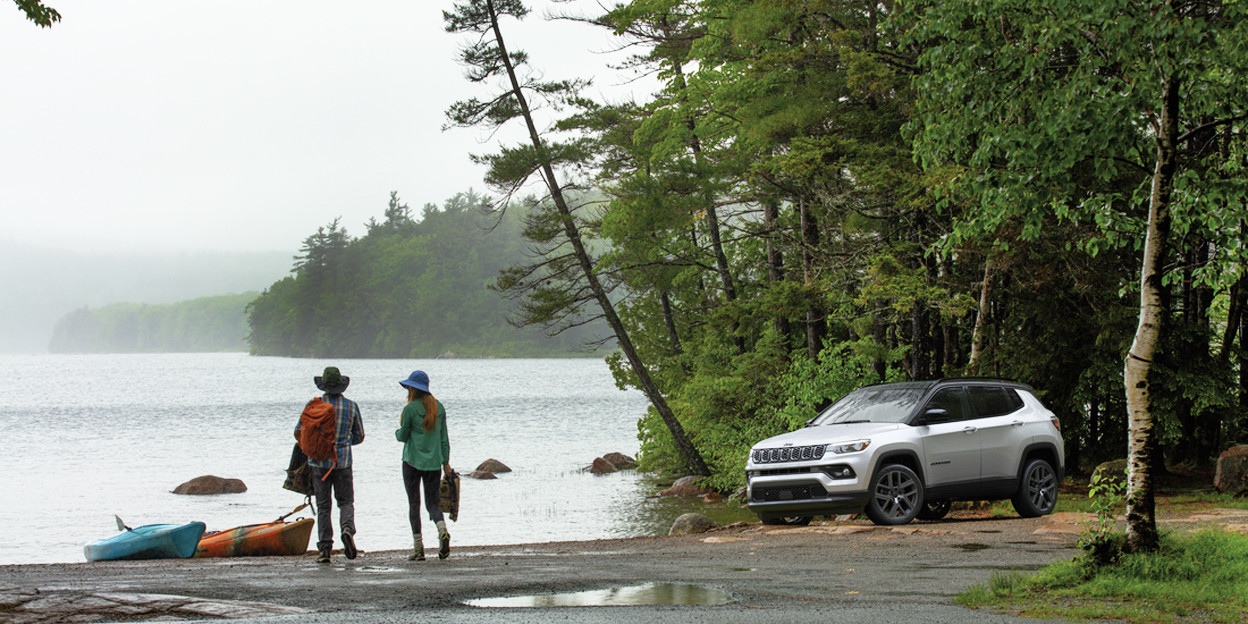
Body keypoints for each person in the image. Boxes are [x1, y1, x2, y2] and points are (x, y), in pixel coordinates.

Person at [295, 366, 365, 563]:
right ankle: (347, 529)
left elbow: (298, 432)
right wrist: (343, 441)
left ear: (323, 386)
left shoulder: (313, 406)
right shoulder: (351, 406)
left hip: (318, 464)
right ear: (342, 386)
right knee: (346, 502)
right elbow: (359, 436)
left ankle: (325, 550)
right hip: (343, 462)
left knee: (323, 506)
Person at [395, 370, 452, 560]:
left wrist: (397, 432)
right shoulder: (439, 408)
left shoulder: (410, 410)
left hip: (411, 462)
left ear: (413, 388)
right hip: (434, 463)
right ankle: (442, 530)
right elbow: (444, 439)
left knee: (414, 504)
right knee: (432, 504)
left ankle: (418, 550)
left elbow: (402, 436)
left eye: (409, 387)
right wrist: (446, 464)